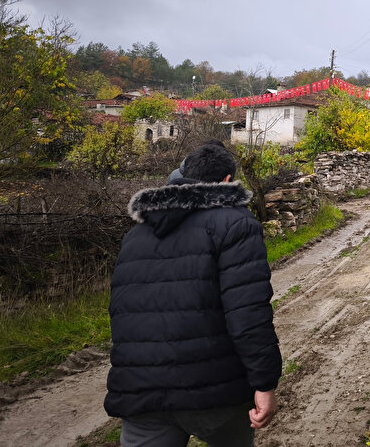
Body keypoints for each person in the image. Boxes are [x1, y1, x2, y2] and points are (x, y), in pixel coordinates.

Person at [105, 143, 282, 446]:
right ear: (227, 181)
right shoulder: (236, 223)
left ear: (183, 176)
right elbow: (248, 314)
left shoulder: (136, 233)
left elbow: (122, 311)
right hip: (214, 389)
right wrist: (265, 383)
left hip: (141, 391)